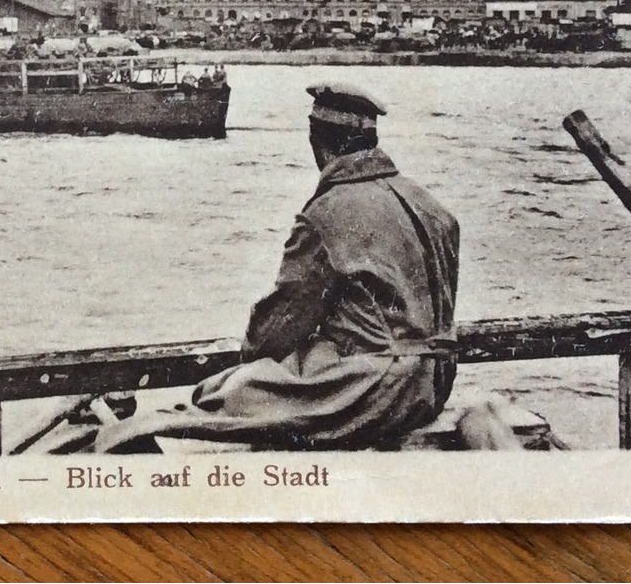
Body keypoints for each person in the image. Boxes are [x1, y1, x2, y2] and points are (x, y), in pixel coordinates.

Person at [95, 81, 461, 452]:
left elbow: (283, 321)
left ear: (318, 142)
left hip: (379, 390)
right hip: (435, 383)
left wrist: (251, 360)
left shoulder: (328, 213)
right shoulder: (428, 204)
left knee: (224, 394)